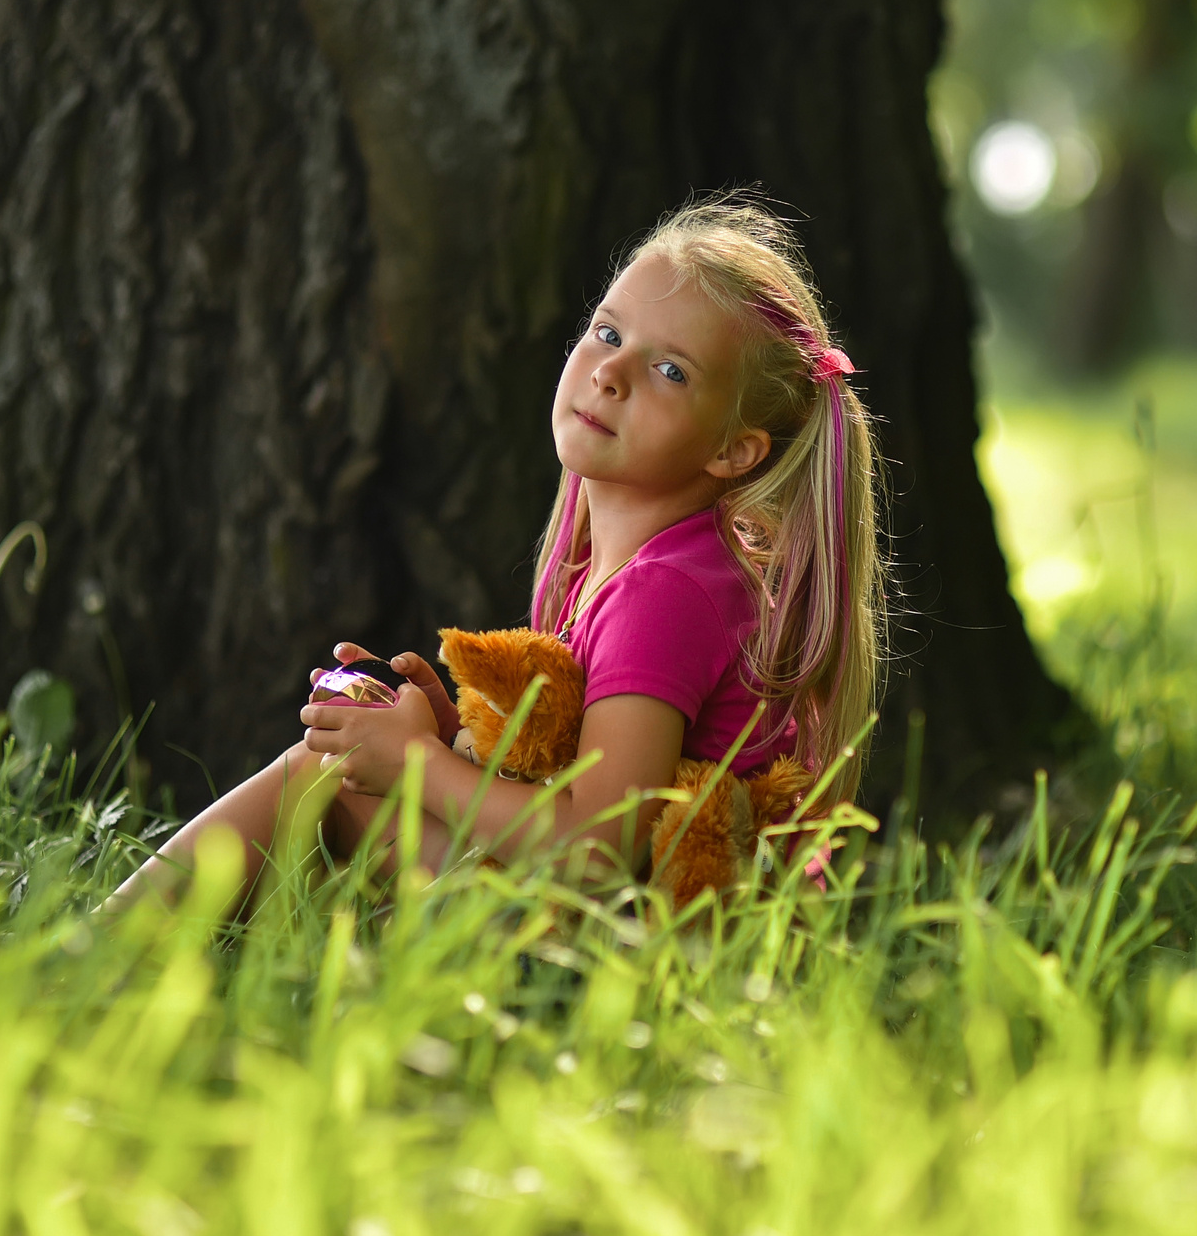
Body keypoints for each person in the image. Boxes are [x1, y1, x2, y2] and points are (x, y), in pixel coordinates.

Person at [111, 196, 885, 909]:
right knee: (347, 773)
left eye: (669, 370)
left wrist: (420, 764)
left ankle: (105, 944)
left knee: (325, 780)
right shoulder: (658, 567)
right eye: (608, 333)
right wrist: (460, 743)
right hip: (613, 919)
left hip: (629, 952)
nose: (610, 372)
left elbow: (595, 850)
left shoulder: (669, 594)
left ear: (734, 450)